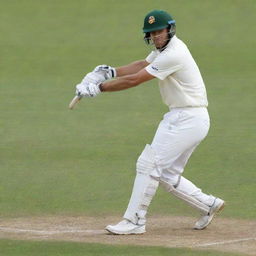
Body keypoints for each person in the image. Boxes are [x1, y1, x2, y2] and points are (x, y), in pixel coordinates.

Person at [75, 10, 225, 235]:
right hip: (182, 117)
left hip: (189, 118)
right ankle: (208, 204)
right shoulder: (163, 50)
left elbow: (136, 79)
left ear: (169, 30)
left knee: (148, 164)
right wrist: (108, 72)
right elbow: (140, 65)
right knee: (167, 174)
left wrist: (98, 88)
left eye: (159, 31)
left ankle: (135, 220)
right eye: (151, 33)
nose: (156, 36)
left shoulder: (174, 53)